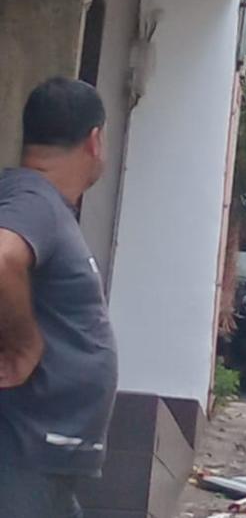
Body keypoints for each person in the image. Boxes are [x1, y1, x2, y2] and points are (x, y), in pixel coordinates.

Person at [0, 77, 118, 518]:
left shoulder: (38, 202)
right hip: (23, 454)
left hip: (44, 459)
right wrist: (23, 344)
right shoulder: (34, 199)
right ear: (94, 140)